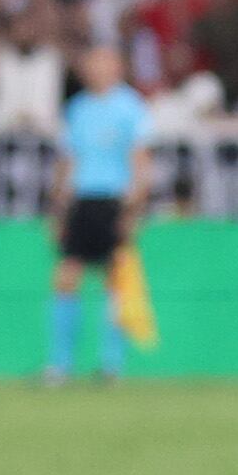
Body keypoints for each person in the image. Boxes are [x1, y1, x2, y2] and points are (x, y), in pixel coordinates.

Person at [47, 46, 148, 382]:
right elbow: (69, 160)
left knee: (114, 282)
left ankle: (111, 365)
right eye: (91, 63)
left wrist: (133, 209)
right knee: (65, 279)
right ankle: (61, 364)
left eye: (104, 62)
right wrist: (59, 207)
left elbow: (140, 162)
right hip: (82, 200)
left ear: (117, 67)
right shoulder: (78, 108)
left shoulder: (129, 107)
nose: (96, 69)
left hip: (113, 200)